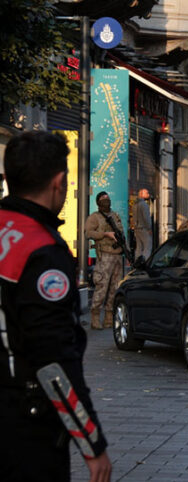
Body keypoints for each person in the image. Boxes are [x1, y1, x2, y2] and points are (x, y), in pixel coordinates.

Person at [0, 131, 111, 480]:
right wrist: (91, 443)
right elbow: (53, 360)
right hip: (23, 427)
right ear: (59, 182)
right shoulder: (42, 250)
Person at [85, 191, 125, 330]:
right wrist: (104, 234)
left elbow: (121, 234)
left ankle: (109, 318)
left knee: (115, 288)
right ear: (98, 202)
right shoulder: (95, 217)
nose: (106, 200)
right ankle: (95, 318)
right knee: (102, 287)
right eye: (103, 199)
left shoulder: (115, 216)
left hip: (118, 256)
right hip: (105, 257)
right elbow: (88, 233)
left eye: (107, 198)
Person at [133, 188, 152, 262]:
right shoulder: (144, 205)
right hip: (144, 229)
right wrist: (149, 228)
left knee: (139, 247)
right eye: (146, 193)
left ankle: (137, 262)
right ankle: (144, 262)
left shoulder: (135, 205)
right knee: (148, 246)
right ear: (141, 194)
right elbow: (146, 218)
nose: (148, 194)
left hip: (137, 228)